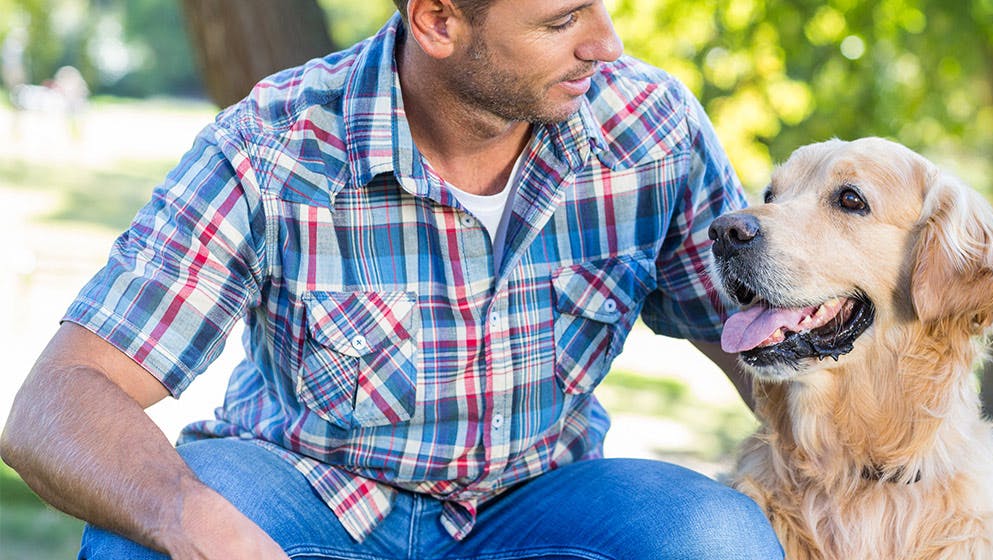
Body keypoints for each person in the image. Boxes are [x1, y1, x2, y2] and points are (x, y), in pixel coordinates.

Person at [0, 1, 784, 558]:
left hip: (543, 502)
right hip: (307, 496)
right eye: (562, 21)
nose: (606, 45)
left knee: (721, 539)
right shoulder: (275, 145)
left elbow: (763, 345)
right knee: (144, 542)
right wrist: (186, 516)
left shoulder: (650, 129)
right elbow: (56, 399)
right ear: (438, 22)